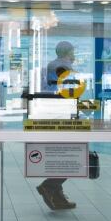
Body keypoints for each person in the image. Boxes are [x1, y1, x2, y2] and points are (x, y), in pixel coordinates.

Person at [36, 41, 77, 210]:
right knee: (71, 156)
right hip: (63, 113)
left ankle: (58, 196)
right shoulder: (65, 66)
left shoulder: (50, 65)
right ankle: (49, 185)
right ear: (68, 52)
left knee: (61, 153)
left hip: (49, 112)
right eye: (73, 51)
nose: (74, 54)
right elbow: (70, 91)